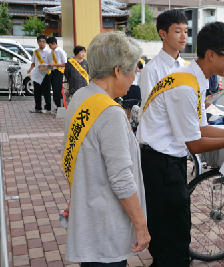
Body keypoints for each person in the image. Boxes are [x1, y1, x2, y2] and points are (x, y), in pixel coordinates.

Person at [137, 21, 224, 267]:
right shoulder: (186, 86)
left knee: (169, 239)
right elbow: (195, 144)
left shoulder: (191, 78)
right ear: (211, 54)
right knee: (175, 247)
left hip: (164, 163)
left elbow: (200, 128)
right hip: (161, 166)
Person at [61, 31, 150, 267]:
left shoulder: (81, 97)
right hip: (105, 227)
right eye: (132, 70)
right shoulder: (109, 113)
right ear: (118, 70)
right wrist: (141, 227)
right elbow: (121, 178)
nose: (134, 77)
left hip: (89, 216)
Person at [138, 9, 188, 116]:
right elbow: (149, 111)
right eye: (178, 31)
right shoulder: (151, 70)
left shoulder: (187, 67)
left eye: (186, 31)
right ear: (163, 34)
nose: (184, 36)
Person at [27, 35, 52, 114]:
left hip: (46, 74)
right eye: (40, 41)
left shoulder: (49, 52)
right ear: (37, 42)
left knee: (46, 92)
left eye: (43, 41)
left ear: (46, 43)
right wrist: (30, 69)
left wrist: (44, 66)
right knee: (37, 91)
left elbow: (52, 64)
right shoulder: (35, 52)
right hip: (37, 74)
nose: (41, 43)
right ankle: (37, 108)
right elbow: (33, 63)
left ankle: (48, 108)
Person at [47, 36, 67, 115]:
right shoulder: (52, 52)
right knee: (54, 90)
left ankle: (61, 107)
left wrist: (54, 64)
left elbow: (65, 64)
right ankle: (58, 107)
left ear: (54, 43)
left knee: (58, 90)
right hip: (53, 71)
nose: (49, 47)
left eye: (50, 45)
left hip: (59, 72)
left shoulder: (61, 51)